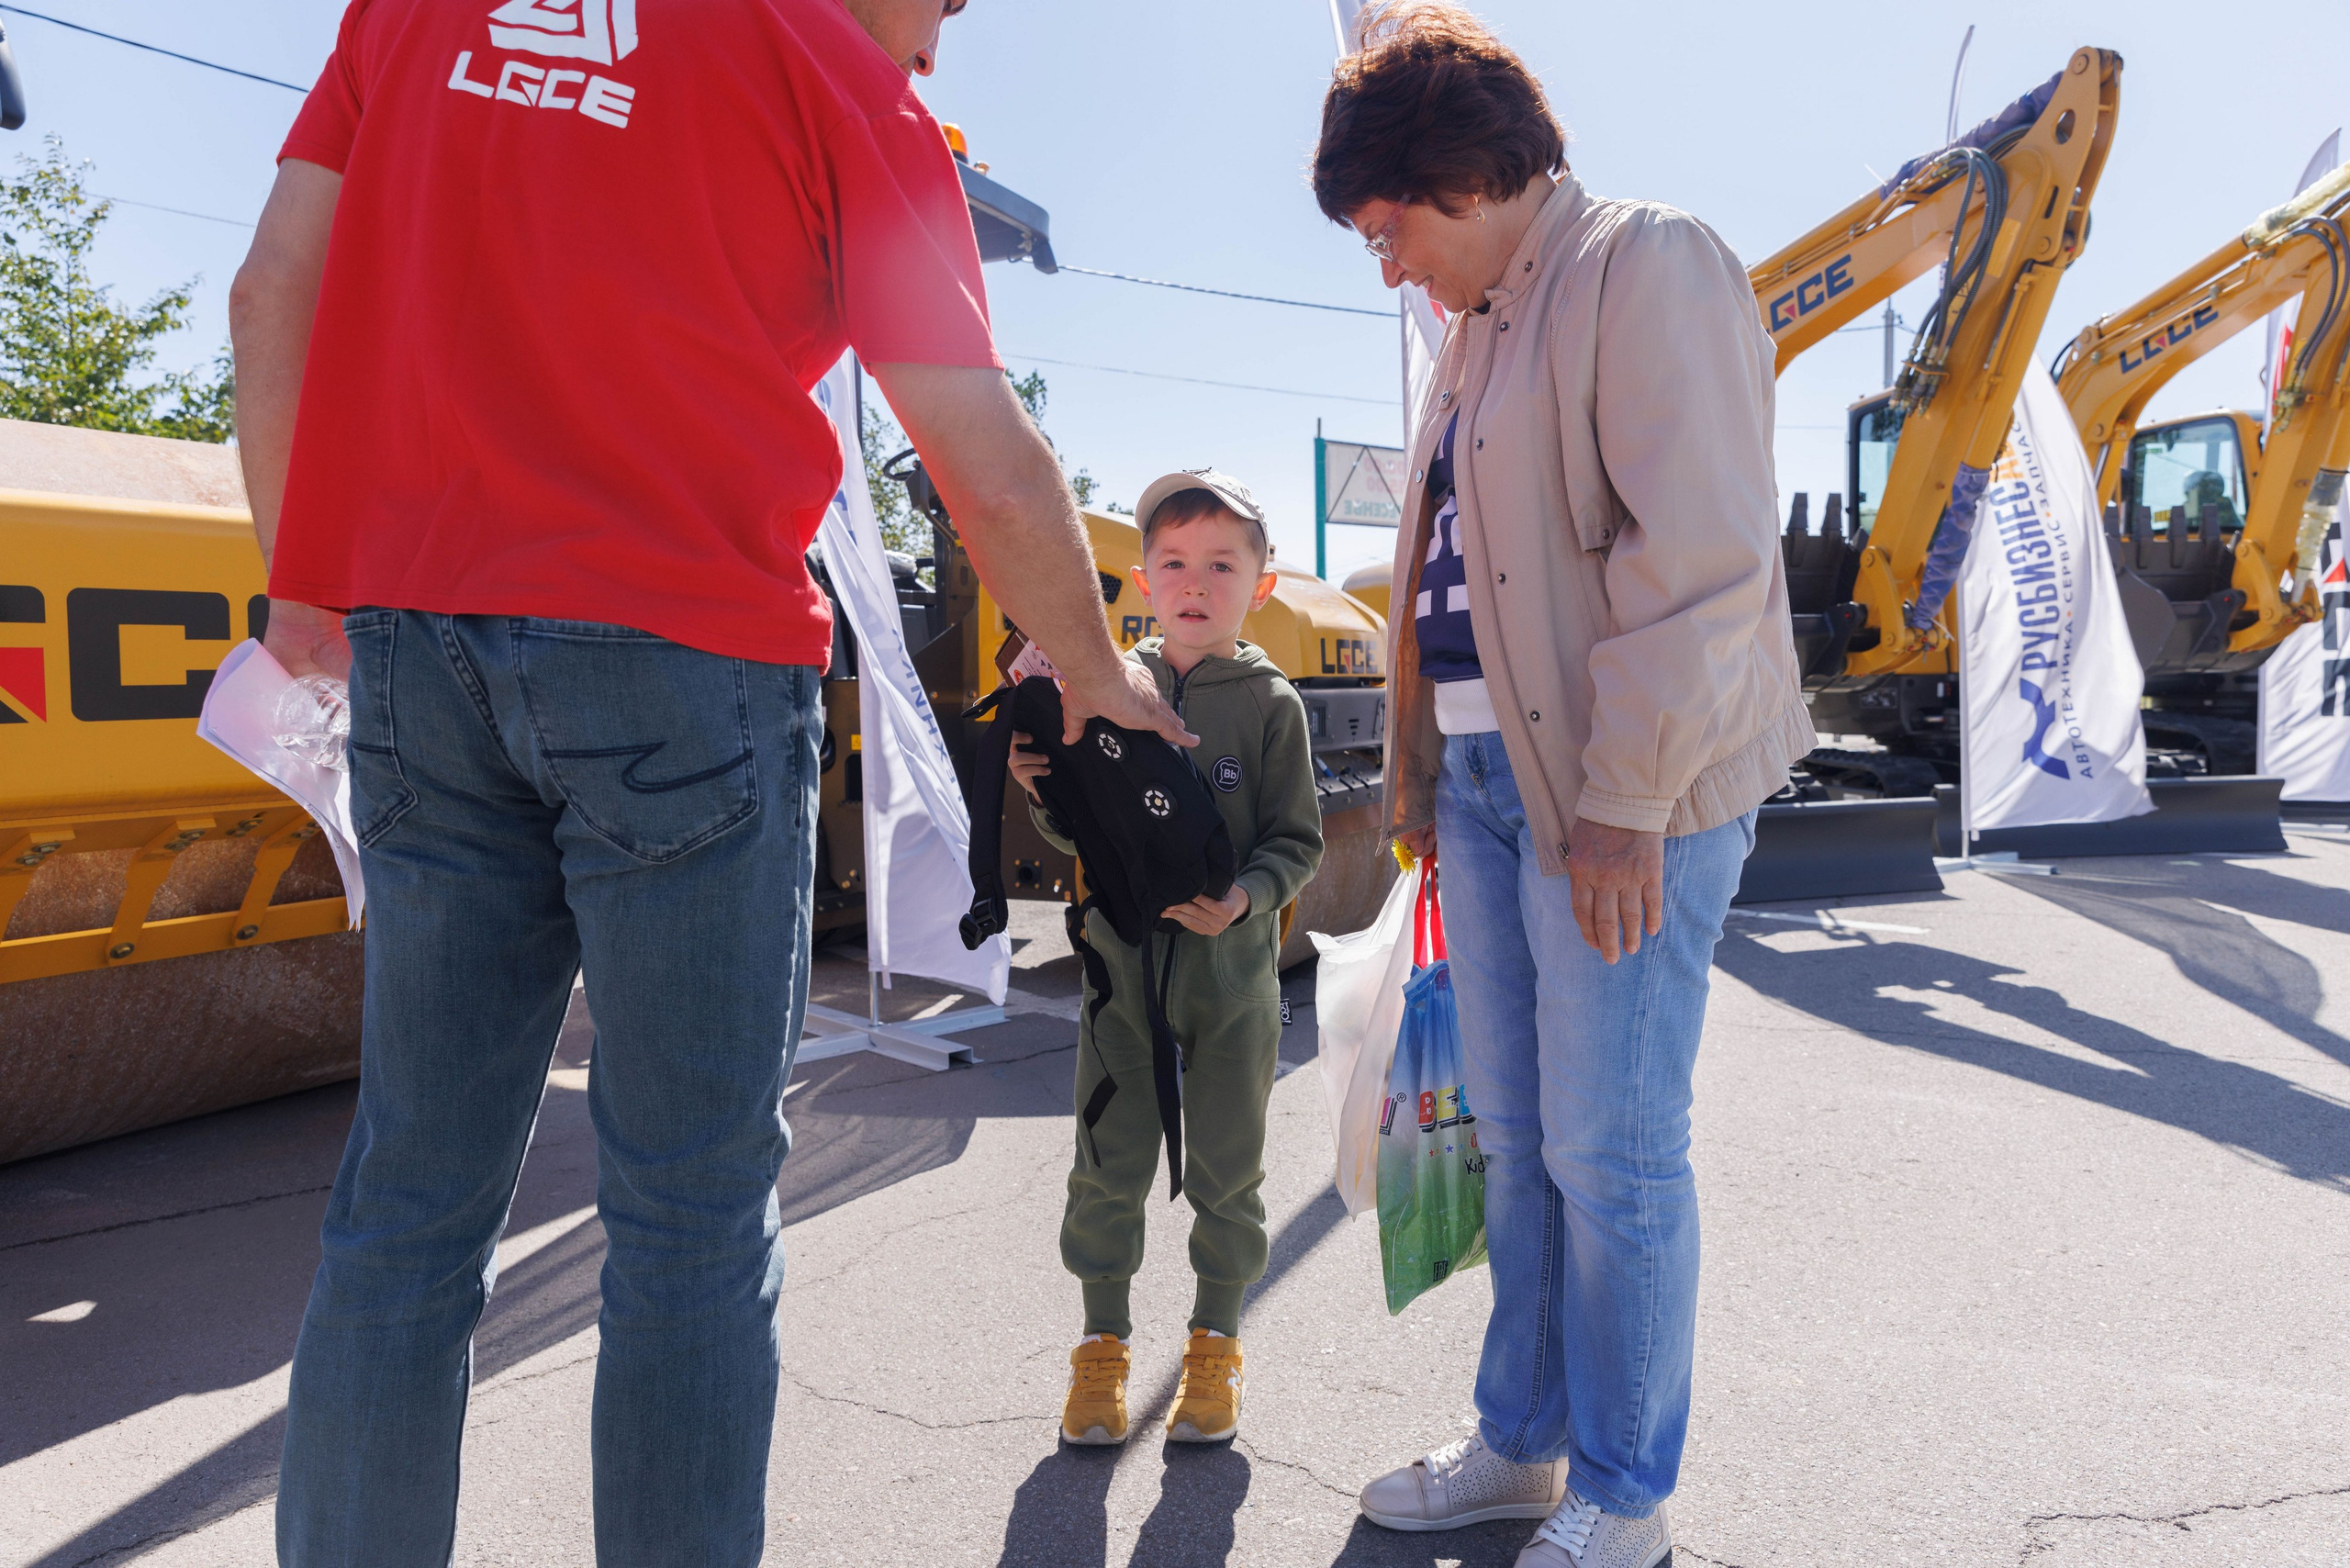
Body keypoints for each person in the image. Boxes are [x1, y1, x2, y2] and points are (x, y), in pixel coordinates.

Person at [228, 1, 1188, 1562]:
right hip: (682, 656)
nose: (940, 44)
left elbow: (269, 292)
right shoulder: (826, 68)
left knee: (406, 1205)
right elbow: (980, 447)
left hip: (415, 641)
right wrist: (1096, 670)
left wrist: (303, 598)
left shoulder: (409, 15)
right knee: (686, 1220)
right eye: (945, 4)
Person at [1310, 7, 1810, 1567]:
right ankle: (1521, 1446)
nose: (1386, 264)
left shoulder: (1648, 265)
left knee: (1611, 1145)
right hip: (1484, 776)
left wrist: (1627, 800)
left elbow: (1705, 563)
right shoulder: (1480, 329)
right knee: (1514, 1136)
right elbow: (1450, 588)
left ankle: (1625, 1489)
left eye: (1388, 227)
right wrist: (1418, 784)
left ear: (1462, 178)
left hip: (1615, 784)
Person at [1005, 470, 1324, 1449]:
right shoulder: (1104, 682)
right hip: (1118, 975)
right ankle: (1101, 1354)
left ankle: (1214, 1351)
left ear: (1259, 588)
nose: (1195, 582)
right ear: (1142, 579)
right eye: (1174, 563)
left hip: (1232, 985)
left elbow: (1296, 841)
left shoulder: (1272, 705)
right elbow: (1080, 835)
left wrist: (1245, 898)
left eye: (1221, 564)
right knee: (1106, 1169)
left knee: (1230, 1173)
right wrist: (1038, 788)